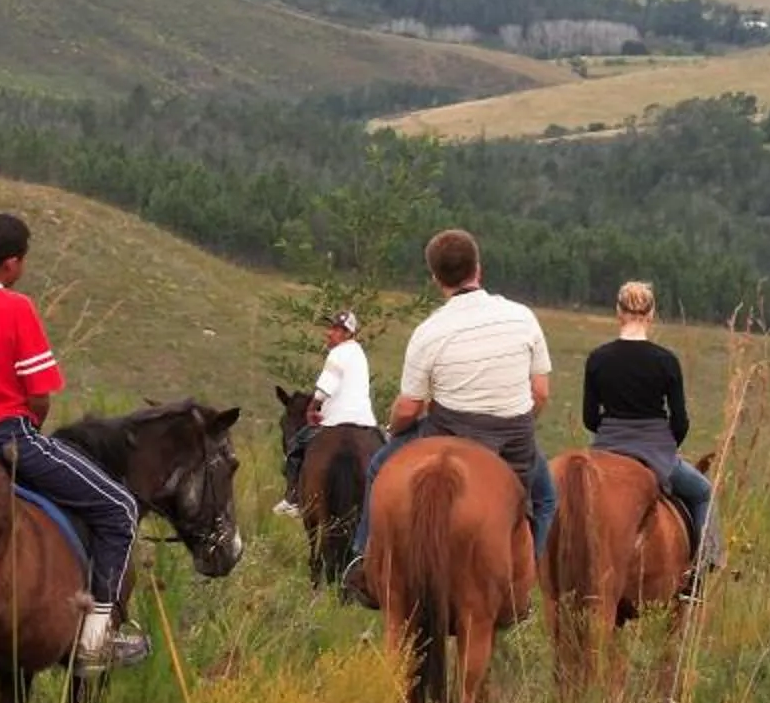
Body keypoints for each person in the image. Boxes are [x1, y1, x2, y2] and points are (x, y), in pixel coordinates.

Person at [0, 211, 151, 673]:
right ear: (11, 264)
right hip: (4, 436)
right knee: (120, 509)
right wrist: (30, 426)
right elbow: (38, 395)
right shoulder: (16, 308)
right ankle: (95, 641)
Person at [341, 229, 556, 603]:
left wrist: (396, 431)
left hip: (449, 435)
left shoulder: (429, 331)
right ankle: (524, 580)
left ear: (436, 279)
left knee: (378, 467)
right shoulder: (523, 318)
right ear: (479, 269)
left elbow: (409, 407)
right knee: (547, 499)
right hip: (514, 445)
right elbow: (540, 393)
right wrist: (513, 419)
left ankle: (364, 558)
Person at [580, 279, 722, 584]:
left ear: (618, 312)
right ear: (651, 313)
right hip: (656, 452)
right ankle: (702, 571)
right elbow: (681, 421)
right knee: (703, 492)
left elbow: (590, 418)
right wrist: (667, 446)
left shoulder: (598, 358)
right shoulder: (665, 361)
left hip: (607, 450)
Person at [274, 303, 378, 515]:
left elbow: (324, 389)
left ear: (348, 333)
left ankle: (293, 498)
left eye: (336, 330)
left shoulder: (338, 353)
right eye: (331, 328)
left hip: (336, 420)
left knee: (295, 449)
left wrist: (312, 408)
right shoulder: (360, 355)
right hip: (366, 421)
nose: (329, 333)